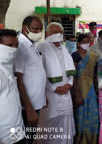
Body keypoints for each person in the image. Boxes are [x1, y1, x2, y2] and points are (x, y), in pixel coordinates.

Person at [37, 22, 76, 143]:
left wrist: (70, 83)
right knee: (49, 128)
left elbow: (70, 70)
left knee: (66, 126)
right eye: (55, 32)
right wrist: (54, 88)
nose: (58, 34)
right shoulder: (41, 47)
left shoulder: (64, 48)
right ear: (47, 33)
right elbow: (39, 74)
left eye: (60, 32)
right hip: (50, 95)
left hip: (66, 93)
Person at [15, 16, 47, 144]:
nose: (38, 32)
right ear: (25, 28)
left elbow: (35, 74)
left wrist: (43, 97)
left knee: (31, 137)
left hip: (35, 103)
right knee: (25, 139)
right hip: (26, 106)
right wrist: (28, 108)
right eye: (35, 29)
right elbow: (18, 78)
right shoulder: (21, 46)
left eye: (40, 29)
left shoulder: (32, 45)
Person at [72, 34, 100, 144]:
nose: (86, 43)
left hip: (91, 89)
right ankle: (81, 140)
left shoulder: (93, 56)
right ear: (78, 43)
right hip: (79, 88)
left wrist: (97, 90)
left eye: (88, 41)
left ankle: (92, 139)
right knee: (80, 114)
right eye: (84, 41)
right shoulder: (75, 56)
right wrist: (76, 93)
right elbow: (72, 75)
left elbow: (95, 75)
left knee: (92, 114)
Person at [0, 29, 25, 144]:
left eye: (16, 45)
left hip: (17, 131)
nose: (14, 49)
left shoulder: (9, 65)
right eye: (9, 45)